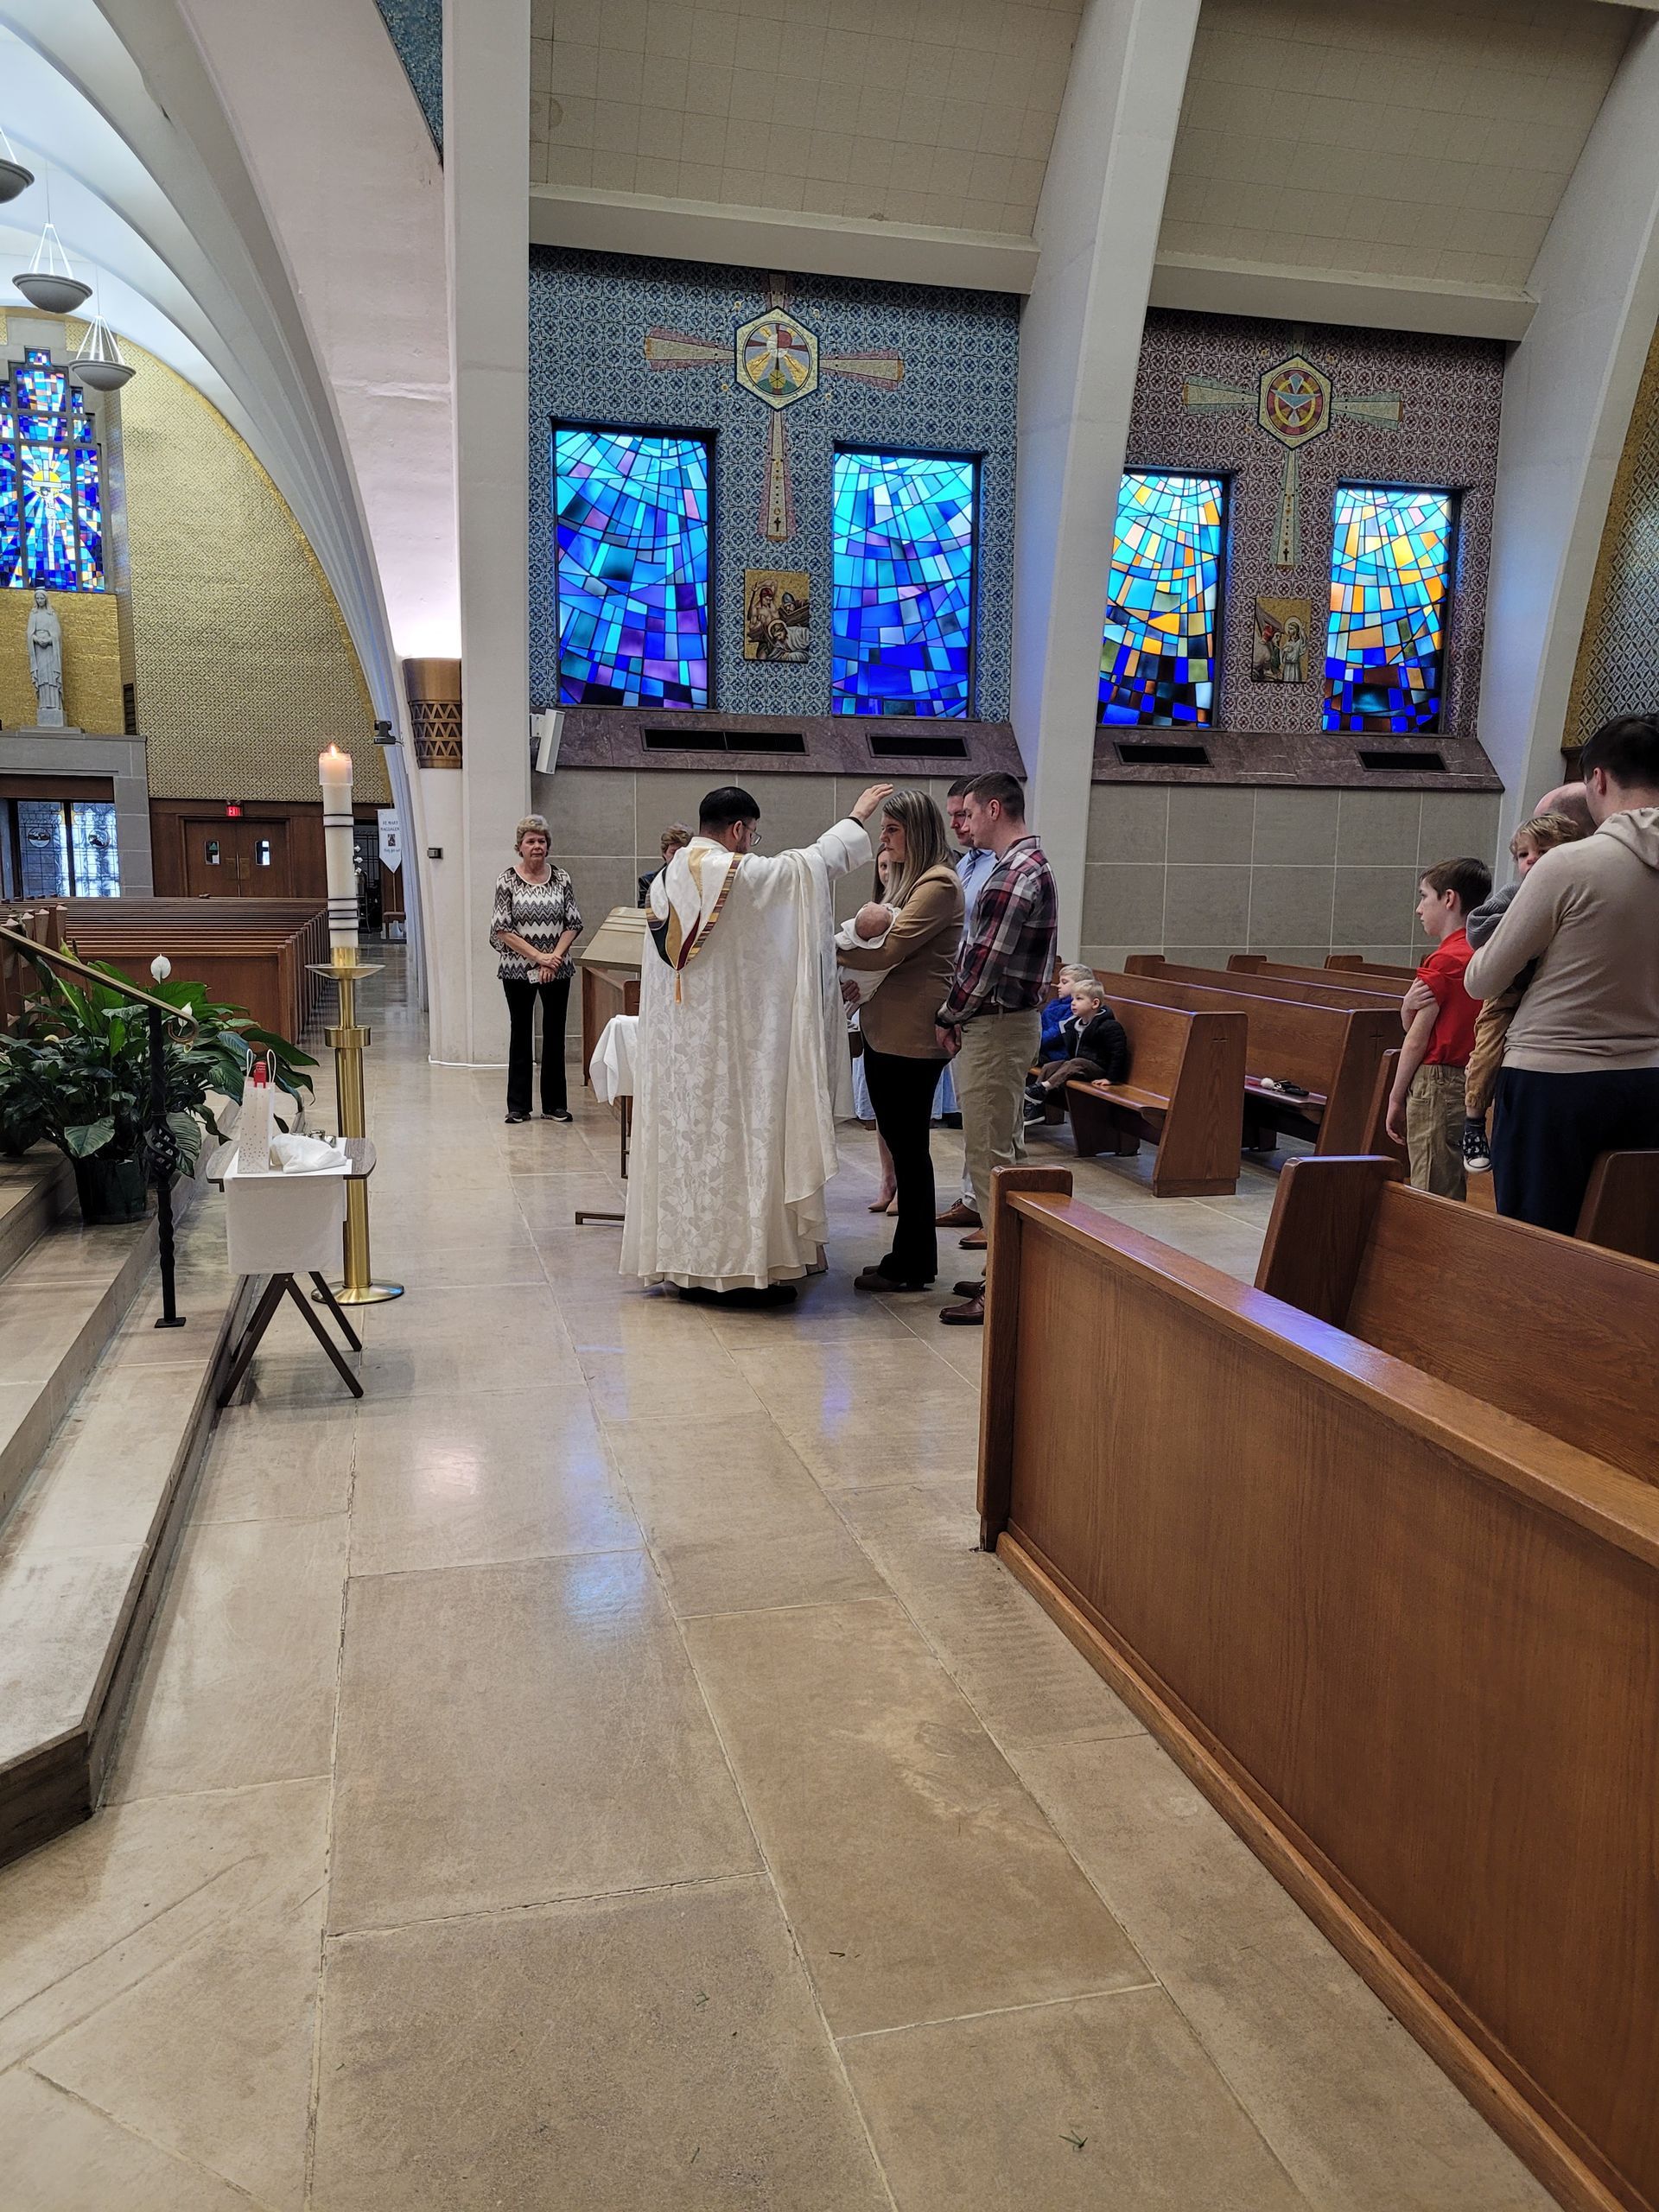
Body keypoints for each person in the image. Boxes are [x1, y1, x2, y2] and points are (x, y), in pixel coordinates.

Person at [622, 779, 893, 1300]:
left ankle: (688, 1266)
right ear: (738, 830)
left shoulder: (665, 881)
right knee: (737, 1152)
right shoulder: (735, 873)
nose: (752, 845)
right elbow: (809, 867)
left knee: (689, 1156)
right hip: (735, 1057)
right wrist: (856, 818)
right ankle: (740, 1274)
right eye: (753, 835)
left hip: (683, 1058)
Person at [1465, 717, 1659, 1235]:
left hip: (1554, 1079)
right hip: (1649, 1077)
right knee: (1626, 1239)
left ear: (1598, 778)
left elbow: (1483, 979)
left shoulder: (1570, 864)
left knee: (1539, 1243)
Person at [934, 773, 1058, 1325]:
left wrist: (948, 1014)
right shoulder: (1030, 865)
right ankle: (1006, 1272)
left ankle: (1002, 1287)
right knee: (1002, 1153)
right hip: (1007, 1025)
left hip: (996, 1027)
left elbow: (983, 964)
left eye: (968, 813)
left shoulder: (1012, 875)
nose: (964, 823)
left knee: (989, 1160)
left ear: (993, 808)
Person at [835, 790, 963, 1292]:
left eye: (891, 830)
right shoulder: (909, 881)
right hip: (887, 1030)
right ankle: (909, 1257)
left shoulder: (939, 884)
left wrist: (827, 950)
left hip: (912, 1035)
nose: (883, 839)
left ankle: (912, 1263)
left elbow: (889, 950)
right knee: (900, 1142)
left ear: (917, 830)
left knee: (910, 1150)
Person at [1457, 811, 1587, 1173]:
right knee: (1487, 1046)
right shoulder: (1515, 894)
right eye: (1523, 855)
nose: (1531, 861)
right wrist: (1527, 917)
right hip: (1507, 987)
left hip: (1548, 995)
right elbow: (1476, 929)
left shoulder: (1575, 891)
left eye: (1543, 852)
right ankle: (1473, 1122)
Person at [1385, 855, 1491, 1198]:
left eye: (1424, 896)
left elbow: (1417, 1038)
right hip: (1471, 1077)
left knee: (1432, 1191)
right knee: (1452, 1184)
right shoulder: (1486, 952)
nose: (1419, 909)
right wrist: (1407, 1009)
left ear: (1449, 899)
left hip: (1437, 1082)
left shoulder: (1445, 960)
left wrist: (1395, 1097)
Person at [489, 814, 582, 1125]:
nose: (537, 846)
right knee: (521, 1033)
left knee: (555, 1034)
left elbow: (573, 923)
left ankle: (555, 1105)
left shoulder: (562, 878)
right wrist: (539, 957)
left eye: (541, 841)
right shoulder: (507, 880)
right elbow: (503, 929)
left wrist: (553, 958)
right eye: (531, 841)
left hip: (558, 968)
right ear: (520, 847)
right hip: (517, 970)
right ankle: (518, 1106)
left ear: (548, 845)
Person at [937, 776, 999, 1230]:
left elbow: (985, 948)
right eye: (953, 816)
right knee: (975, 1118)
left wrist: (955, 1008)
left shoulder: (1003, 867)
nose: (958, 824)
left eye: (965, 814)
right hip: (965, 1000)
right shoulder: (966, 865)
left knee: (992, 1123)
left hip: (987, 1005)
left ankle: (995, 1218)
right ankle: (973, 1198)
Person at [1026, 976, 1128, 1116]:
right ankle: (1036, 1101)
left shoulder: (1109, 1026)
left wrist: (1110, 1078)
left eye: (1079, 999)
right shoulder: (1074, 1025)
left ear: (1095, 1003)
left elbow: (1118, 1053)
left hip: (1099, 1069)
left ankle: (1043, 1088)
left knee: (1076, 1062)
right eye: (1073, 999)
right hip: (1079, 1066)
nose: (1073, 1003)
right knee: (1050, 1066)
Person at [638, 823, 693, 907]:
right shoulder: (648, 882)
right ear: (664, 853)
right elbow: (643, 912)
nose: (678, 857)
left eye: (682, 853)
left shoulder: (698, 881)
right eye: (673, 853)